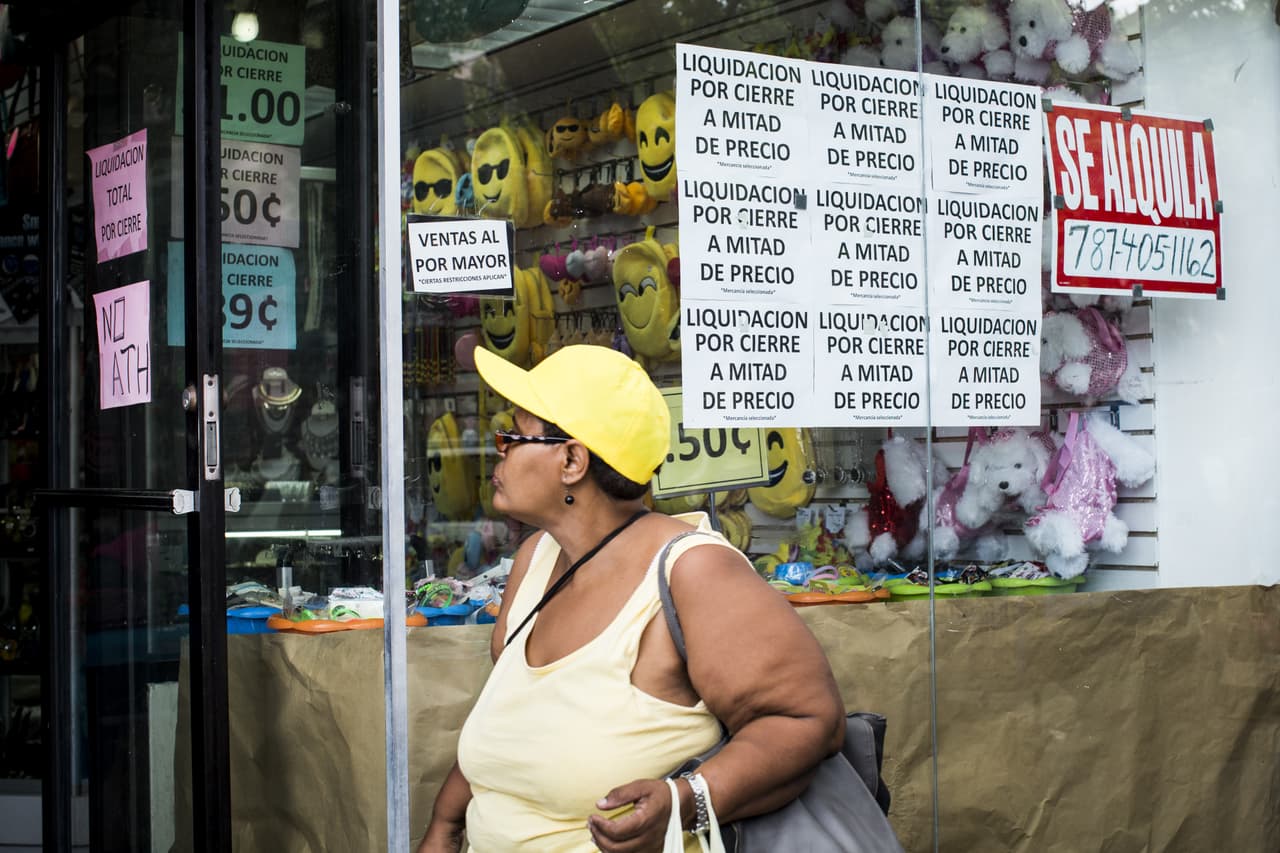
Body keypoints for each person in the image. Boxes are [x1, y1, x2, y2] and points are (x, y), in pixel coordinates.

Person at [418, 344, 844, 853]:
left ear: (572, 459)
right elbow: (513, 721)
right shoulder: (536, 560)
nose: (499, 449)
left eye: (514, 436)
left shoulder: (694, 571)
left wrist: (684, 800)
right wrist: (445, 826)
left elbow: (807, 721)